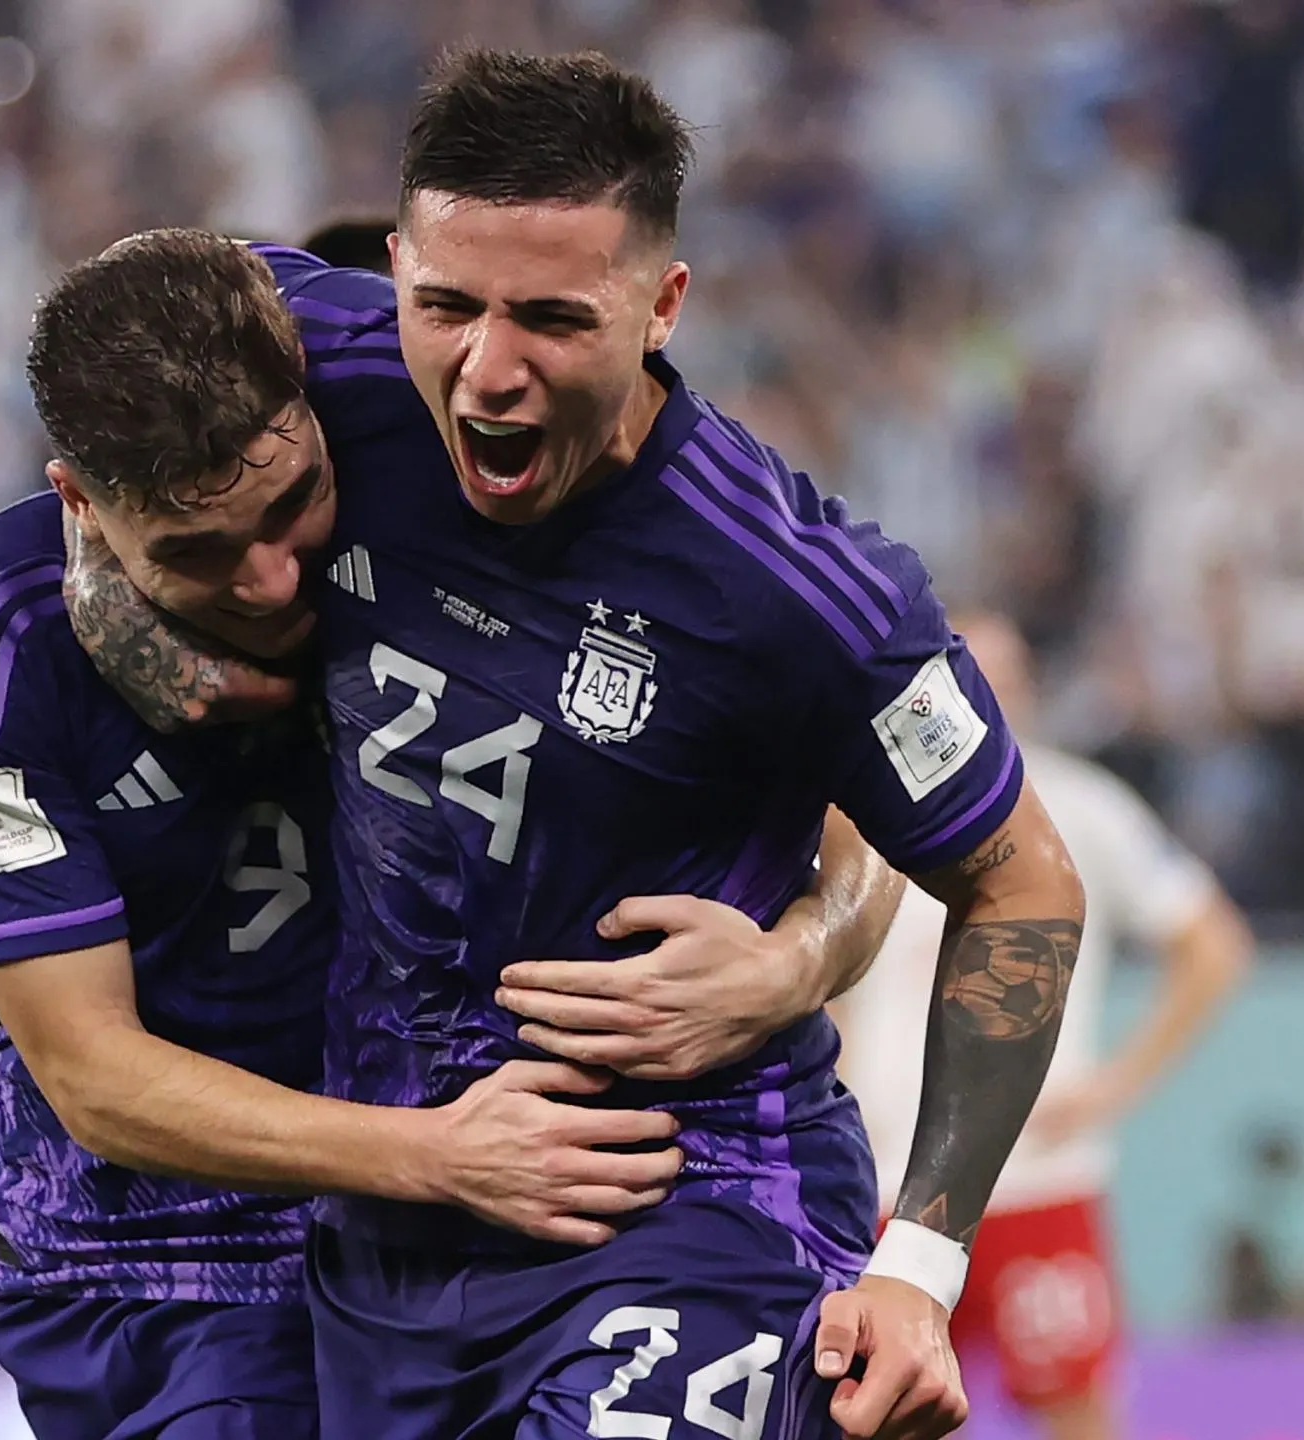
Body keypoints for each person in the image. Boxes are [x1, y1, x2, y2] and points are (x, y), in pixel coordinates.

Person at [56, 51, 1087, 1440]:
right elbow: (105, 380)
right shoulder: (314, 364)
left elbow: (1022, 881)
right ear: (399, 269)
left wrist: (918, 1260)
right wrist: (112, 602)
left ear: (663, 305)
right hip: (394, 1256)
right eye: (446, 305)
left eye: (551, 318)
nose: (488, 371)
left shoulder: (803, 591)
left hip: (693, 1210)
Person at [0, 233, 910, 1438]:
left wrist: (806, 953)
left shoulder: (436, 443)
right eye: (198, 554)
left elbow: (853, 719)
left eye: (288, 511)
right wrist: (435, 1155)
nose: (269, 581)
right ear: (79, 504)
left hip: (449, 1214)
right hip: (153, 1241)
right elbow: (92, 1075)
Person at [835, 611, 1252, 1440]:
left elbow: (1213, 946)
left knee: (1076, 1414)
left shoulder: (1082, 806)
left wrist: (1112, 1088)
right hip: (880, 1177)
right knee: (874, 1415)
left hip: (1036, 1180)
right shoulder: (859, 808)